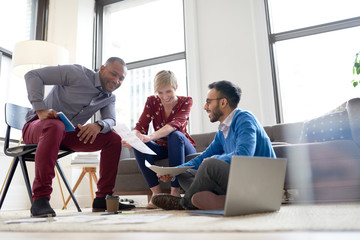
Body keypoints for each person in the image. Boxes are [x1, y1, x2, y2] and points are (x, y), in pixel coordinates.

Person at [22, 57, 135, 217]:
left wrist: (98, 125)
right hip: (37, 127)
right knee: (56, 125)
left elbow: (111, 120)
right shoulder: (76, 73)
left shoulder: (109, 98)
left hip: (67, 134)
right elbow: (32, 75)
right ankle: (40, 199)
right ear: (102, 69)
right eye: (114, 74)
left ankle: (103, 198)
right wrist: (40, 109)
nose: (117, 80)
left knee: (113, 139)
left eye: (121, 78)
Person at [152, 80, 276, 210]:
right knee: (184, 174)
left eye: (209, 102)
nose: (205, 107)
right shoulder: (222, 130)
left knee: (210, 164)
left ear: (223, 102)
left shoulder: (245, 119)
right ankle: (225, 201)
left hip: (259, 184)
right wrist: (174, 171)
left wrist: (214, 159)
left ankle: (185, 203)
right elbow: (202, 157)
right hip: (242, 183)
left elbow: (244, 155)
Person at [122, 70, 196, 209]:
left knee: (175, 135)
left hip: (182, 146)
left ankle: (175, 192)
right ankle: (156, 194)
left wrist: (149, 136)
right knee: (139, 143)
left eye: (168, 91)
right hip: (161, 147)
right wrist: (132, 137)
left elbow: (174, 126)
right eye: (160, 93)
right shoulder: (152, 101)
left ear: (176, 87)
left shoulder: (186, 101)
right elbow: (140, 126)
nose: (164, 96)